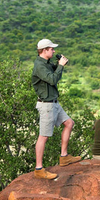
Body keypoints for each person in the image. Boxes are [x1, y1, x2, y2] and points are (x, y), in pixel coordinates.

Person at [31, 38, 82, 180]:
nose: (54, 51)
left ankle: (64, 157)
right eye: (51, 49)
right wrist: (60, 66)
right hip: (47, 105)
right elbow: (53, 79)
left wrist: (60, 64)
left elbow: (53, 72)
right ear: (44, 50)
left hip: (54, 103)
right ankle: (39, 169)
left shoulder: (45, 63)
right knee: (43, 136)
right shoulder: (39, 66)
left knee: (69, 123)